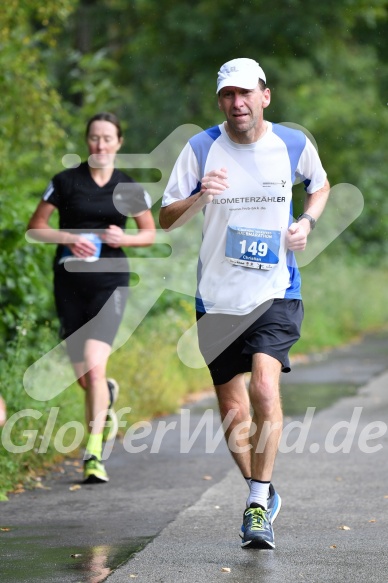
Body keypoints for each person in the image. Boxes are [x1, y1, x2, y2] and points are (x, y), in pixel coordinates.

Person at [160, 58, 330, 549]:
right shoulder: (199, 148)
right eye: (228, 95)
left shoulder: (293, 143)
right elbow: (166, 217)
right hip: (215, 297)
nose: (237, 103)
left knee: (263, 386)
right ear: (220, 101)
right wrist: (198, 197)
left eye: (245, 94)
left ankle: (256, 505)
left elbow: (318, 187)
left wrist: (306, 223)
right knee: (234, 413)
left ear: (265, 96)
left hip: (276, 289)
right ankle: (264, 488)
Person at [28, 112, 156, 483]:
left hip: (110, 283)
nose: (100, 145)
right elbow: (36, 229)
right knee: (85, 376)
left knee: (95, 367)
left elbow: (148, 233)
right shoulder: (65, 181)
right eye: (94, 138)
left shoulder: (129, 188)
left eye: (107, 138)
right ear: (87, 142)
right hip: (69, 283)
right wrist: (69, 237)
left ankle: (94, 453)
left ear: (118, 143)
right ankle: (106, 398)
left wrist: (124, 239)